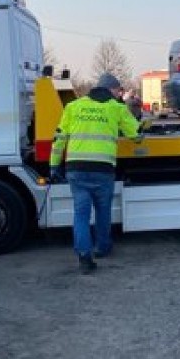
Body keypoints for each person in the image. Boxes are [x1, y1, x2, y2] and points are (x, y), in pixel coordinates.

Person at [50, 72, 141, 273]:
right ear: (110, 90)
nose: (120, 94)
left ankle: (84, 257)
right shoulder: (116, 108)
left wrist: (54, 165)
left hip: (76, 169)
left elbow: (59, 139)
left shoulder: (73, 106)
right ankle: (102, 247)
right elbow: (136, 136)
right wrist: (138, 123)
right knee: (102, 211)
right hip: (102, 170)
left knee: (81, 214)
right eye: (118, 90)